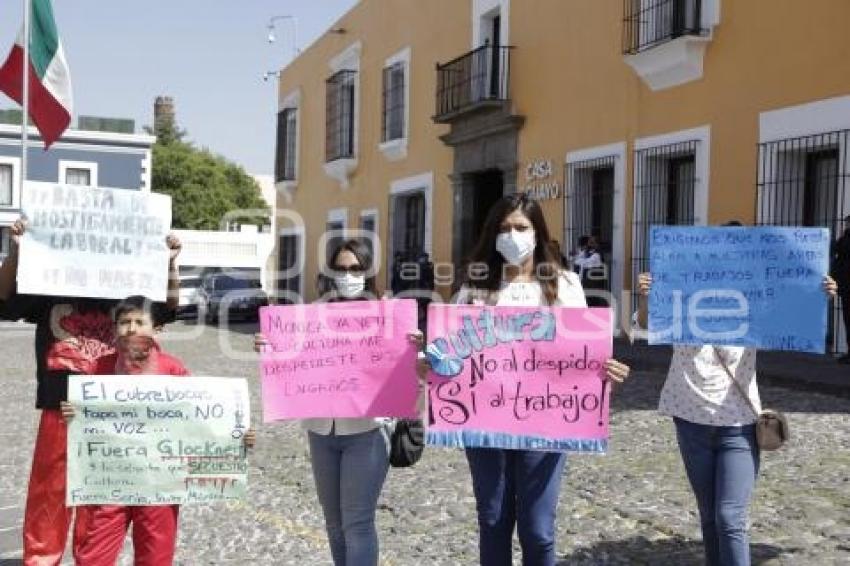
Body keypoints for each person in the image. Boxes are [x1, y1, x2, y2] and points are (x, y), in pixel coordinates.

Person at [636, 224, 838, 566]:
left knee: (730, 518)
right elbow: (645, 324)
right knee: (709, 516)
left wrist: (819, 295)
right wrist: (646, 295)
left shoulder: (756, 300)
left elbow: (794, 317)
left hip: (739, 424)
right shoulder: (680, 294)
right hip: (690, 419)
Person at [449, 193, 630, 566]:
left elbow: (582, 353)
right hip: (487, 423)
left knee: (538, 529)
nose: (512, 235)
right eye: (504, 228)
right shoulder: (474, 287)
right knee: (493, 520)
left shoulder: (564, 285)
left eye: (520, 227)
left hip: (546, 422)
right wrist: (426, 355)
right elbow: (451, 350)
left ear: (538, 233)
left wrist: (605, 371)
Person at [0, 217, 182, 566]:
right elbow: (4, 298)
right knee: (48, 496)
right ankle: (40, 559)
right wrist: (17, 251)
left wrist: (171, 262)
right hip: (61, 404)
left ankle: (91, 559)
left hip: (112, 411)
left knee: (97, 500)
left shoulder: (128, 287)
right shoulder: (48, 278)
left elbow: (168, 307)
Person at [255, 238, 427, 566]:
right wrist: (268, 344)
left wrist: (413, 348)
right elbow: (291, 359)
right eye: (342, 269)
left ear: (367, 273)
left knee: (358, 523)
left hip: (367, 432)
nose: (349, 275)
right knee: (333, 523)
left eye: (356, 268)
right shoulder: (314, 316)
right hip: (321, 432)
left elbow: (415, 378)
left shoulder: (386, 316)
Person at [61, 295, 255, 565]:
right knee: (93, 555)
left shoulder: (172, 369)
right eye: (124, 322)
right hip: (109, 482)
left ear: (156, 328)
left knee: (155, 556)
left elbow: (201, 418)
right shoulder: (99, 368)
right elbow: (84, 421)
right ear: (114, 328)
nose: (131, 328)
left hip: (160, 485)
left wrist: (234, 436)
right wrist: (73, 414)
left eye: (140, 322)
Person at [830, 214, 850, 362]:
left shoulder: (846, 239)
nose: (845, 225)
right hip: (845, 286)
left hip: (847, 285)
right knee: (847, 320)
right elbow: (836, 248)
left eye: (847, 223)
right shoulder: (845, 237)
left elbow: (839, 248)